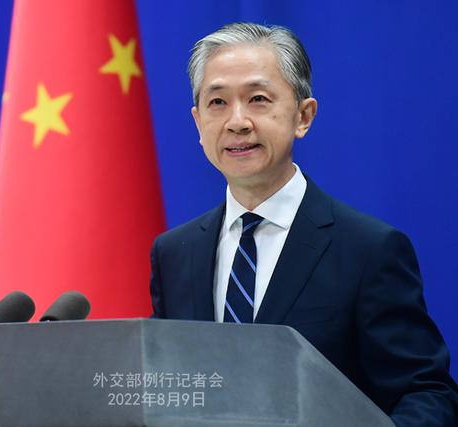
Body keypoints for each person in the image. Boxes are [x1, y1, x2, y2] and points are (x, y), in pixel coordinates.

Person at [149, 23, 458, 426]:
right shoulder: (175, 252)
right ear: (198, 123)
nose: (237, 121)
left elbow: (425, 394)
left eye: (258, 99)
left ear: (303, 116)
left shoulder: (369, 250)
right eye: (218, 103)